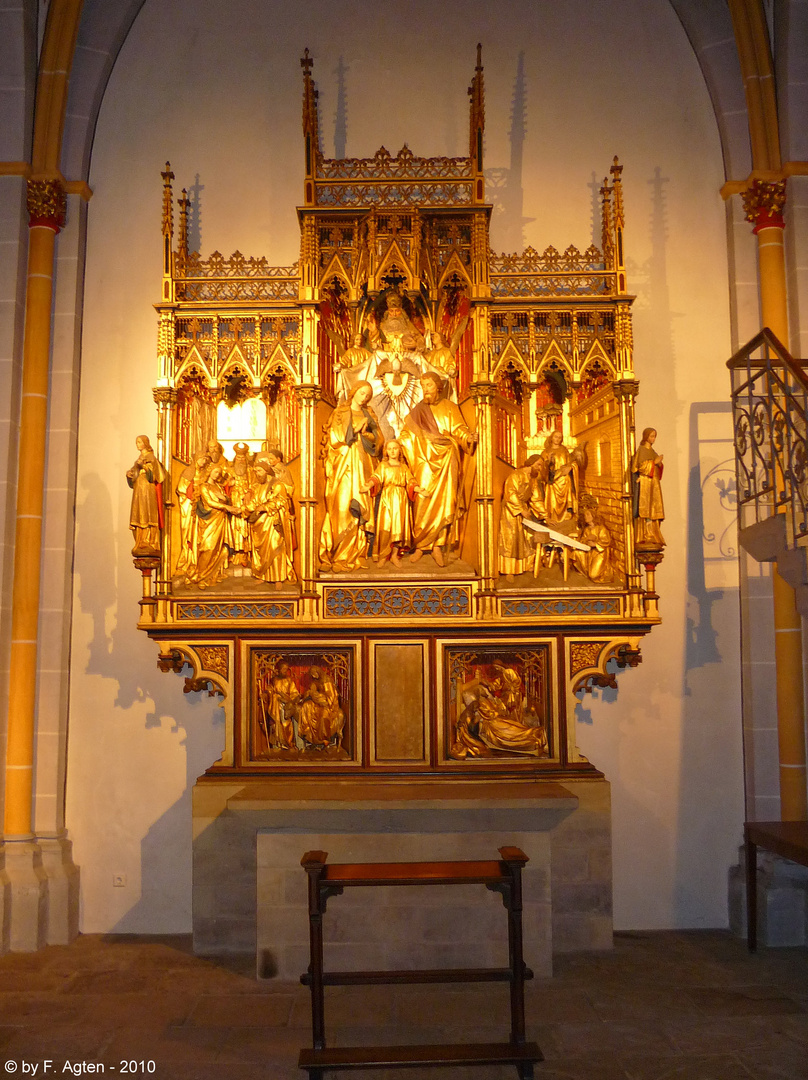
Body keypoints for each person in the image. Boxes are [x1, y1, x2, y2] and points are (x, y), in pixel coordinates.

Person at [399, 372, 477, 566]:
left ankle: (437, 547)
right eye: (423, 385)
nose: (426, 389)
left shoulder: (449, 407)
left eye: (429, 385)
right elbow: (405, 434)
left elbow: (459, 429)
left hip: (446, 460)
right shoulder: (417, 410)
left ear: (438, 387)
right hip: (423, 461)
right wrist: (403, 444)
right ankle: (420, 546)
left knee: (445, 503)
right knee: (422, 500)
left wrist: (468, 438)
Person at [319, 381, 383, 571]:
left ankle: (354, 554)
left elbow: (378, 440)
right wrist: (356, 428)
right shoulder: (340, 412)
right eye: (362, 393)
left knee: (358, 507)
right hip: (343, 464)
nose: (364, 397)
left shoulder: (368, 414)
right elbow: (336, 438)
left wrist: (368, 433)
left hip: (362, 464)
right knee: (342, 506)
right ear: (354, 392)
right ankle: (338, 554)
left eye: (367, 395)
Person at [363, 439, 420, 567]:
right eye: (389, 449)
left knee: (399, 528)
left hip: (401, 500)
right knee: (385, 527)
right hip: (387, 500)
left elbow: (410, 481)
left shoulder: (404, 467)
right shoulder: (383, 466)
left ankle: (394, 555)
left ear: (399, 450)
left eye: (395, 448)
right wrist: (369, 485)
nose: (392, 451)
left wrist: (418, 489)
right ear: (386, 451)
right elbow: (376, 478)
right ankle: (383, 555)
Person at [186, 464, 237, 588]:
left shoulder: (218, 486)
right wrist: (226, 506)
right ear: (209, 472)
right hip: (209, 521)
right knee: (208, 547)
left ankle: (212, 575)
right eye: (215, 472)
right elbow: (209, 502)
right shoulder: (204, 486)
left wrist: (225, 499)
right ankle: (200, 576)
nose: (217, 475)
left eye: (219, 473)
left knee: (219, 549)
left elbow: (224, 499)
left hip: (220, 519)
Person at [498, 456, 546, 579]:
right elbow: (510, 493)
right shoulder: (516, 475)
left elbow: (536, 499)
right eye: (539, 465)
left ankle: (525, 566)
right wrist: (520, 509)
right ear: (532, 463)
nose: (540, 468)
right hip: (511, 511)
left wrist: (545, 515)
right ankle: (509, 570)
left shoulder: (533, 480)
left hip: (524, 510)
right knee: (512, 540)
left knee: (526, 538)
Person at [246, 466, 296, 585]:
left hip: (272, 522)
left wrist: (265, 507)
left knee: (275, 548)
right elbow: (253, 503)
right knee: (261, 552)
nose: (257, 474)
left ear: (267, 471)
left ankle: (278, 577)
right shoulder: (257, 487)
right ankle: (262, 575)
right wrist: (242, 509)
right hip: (259, 524)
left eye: (259, 470)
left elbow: (282, 501)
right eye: (256, 471)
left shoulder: (277, 485)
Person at [126, 435, 166, 557]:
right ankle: (140, 541)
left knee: (147, 512)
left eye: (139, 442)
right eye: (136, 442)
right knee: (139, 512)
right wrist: (130, 475)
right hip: (139, 489)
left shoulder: (150, 457)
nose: (137, 444)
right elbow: (134, 477)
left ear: (145, 443)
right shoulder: (139, 458)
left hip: (147, 489)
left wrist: (143, 467)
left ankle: (150, 541)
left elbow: (155, 476)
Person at [175, 451, 210, 575]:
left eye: (205, 459)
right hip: (190, 507)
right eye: (201, 459)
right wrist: (194, 494)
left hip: (203, 507)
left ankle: (200, 562)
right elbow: (181, 489)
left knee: (201, 535)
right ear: (196, 459)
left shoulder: (206, 472)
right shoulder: (189, 472)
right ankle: (188, 561)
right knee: (188, 533)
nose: (203, 461)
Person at [296, 667, 345, 750]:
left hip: (328, 704)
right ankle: (309, 735)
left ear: (318, 672)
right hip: (317, 701)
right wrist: (310, 694)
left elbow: (331, 696)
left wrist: (319, 698)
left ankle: (323, 739)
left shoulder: (326, 680)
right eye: (312, 675)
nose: (314, 676)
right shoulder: (315, 681)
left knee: (323, 717)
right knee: (306, 706)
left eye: (314, 674)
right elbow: (312, 690)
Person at [632, 427, 665, 546]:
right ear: (646, 436)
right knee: (646, 509)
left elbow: (657, 465)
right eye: (651, 436)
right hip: (646, 482)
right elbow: (639, 467)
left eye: (654, 436)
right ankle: (645, 534)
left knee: (654, 509)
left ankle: (654, 534)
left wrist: (660, 464)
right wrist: (654, 463)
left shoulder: (651, 450)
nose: (653, 438)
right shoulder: (642, 450)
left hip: (654, 483)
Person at [540, 430, 578, 524]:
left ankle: (566, 518)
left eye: (560, 437)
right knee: (551, 501)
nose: (557, 439)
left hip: (565, 480)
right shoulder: (546, 451)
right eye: (555, 437)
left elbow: (571, 463)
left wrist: (570, 467)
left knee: (566, 501)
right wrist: (549, 462)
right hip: (552, 482)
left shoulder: (564, 450)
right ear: (551, 438)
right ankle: (552, 519)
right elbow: (541, 468)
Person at [574, 504, 616, 583]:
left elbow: (606, 541)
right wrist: (586, 540)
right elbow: (582, 540)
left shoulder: (601, 528)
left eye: (587, 514)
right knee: (575, 554)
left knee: (593, 575)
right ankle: (585, 572)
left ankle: (605, 574)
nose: (585, 517)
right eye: (585, 515)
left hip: (599, 553)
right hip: (589, 553)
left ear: (593, 516)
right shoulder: (586, 529)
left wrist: (595, 543)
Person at [264, 661, 299, 750]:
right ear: (279, 670)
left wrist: (289, 699)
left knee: (286, 724)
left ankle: (288, 743)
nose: (285, 671)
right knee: (275, 725)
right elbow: (270, 689)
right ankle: (277, 745)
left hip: (285, 706)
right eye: (283, 669)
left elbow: (294, 693)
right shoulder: (274, 680)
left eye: (286, 669)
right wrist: (267, 693)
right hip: (275, 706)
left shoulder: (289, 680)